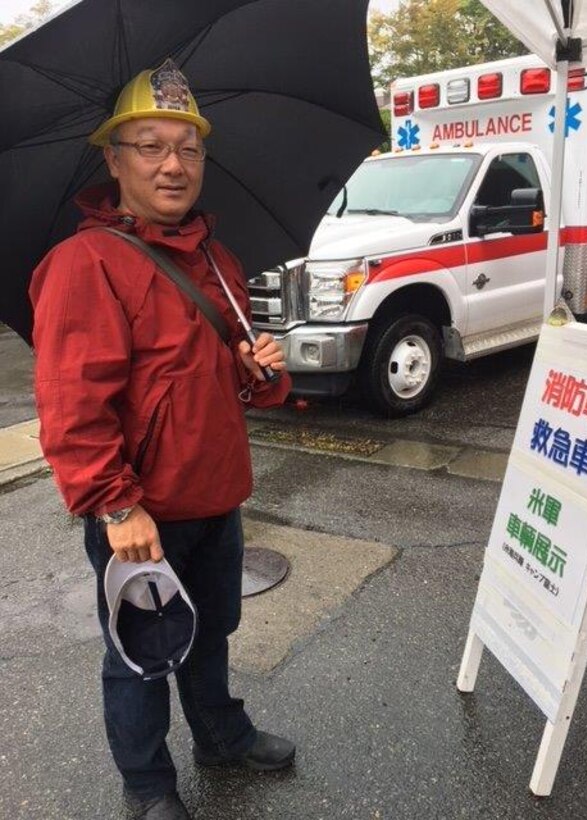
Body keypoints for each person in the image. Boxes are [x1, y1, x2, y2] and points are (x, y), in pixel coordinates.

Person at [29, 59, 294, 820]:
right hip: (142, 513)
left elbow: (220, 380)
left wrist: (256, 370)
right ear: (112, 159)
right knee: (141, 656)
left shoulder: (218, 258)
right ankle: (147, 786)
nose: (174, 165)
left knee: (211, 632)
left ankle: (221, 736)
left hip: (219, 495)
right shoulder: (84, 265)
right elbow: (72, 407)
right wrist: (115, 509)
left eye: (189, 147)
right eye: (149, 146)